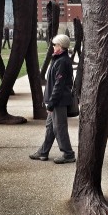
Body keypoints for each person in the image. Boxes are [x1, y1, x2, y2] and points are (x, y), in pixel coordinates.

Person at [29, 34, 76, 164]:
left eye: (55, 44)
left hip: (58, 101)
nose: (53, 47)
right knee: (50, 126)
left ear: (60, 46)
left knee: (59, 128)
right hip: (54, 101)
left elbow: (58, 86)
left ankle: (68, 154)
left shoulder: (62, 61)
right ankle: (43, 152)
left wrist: (51, 103)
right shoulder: (58, 59)